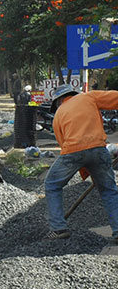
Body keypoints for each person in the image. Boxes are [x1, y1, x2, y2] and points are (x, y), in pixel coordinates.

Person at [44, 84, 118, 243]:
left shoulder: (58, 115)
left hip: (73, 152)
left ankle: (58, 228)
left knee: (52, 185)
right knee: (109, 191)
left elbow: (64, 145)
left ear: (59, 101)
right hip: (99, 149)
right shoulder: (89, 97)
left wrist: (84, 169)